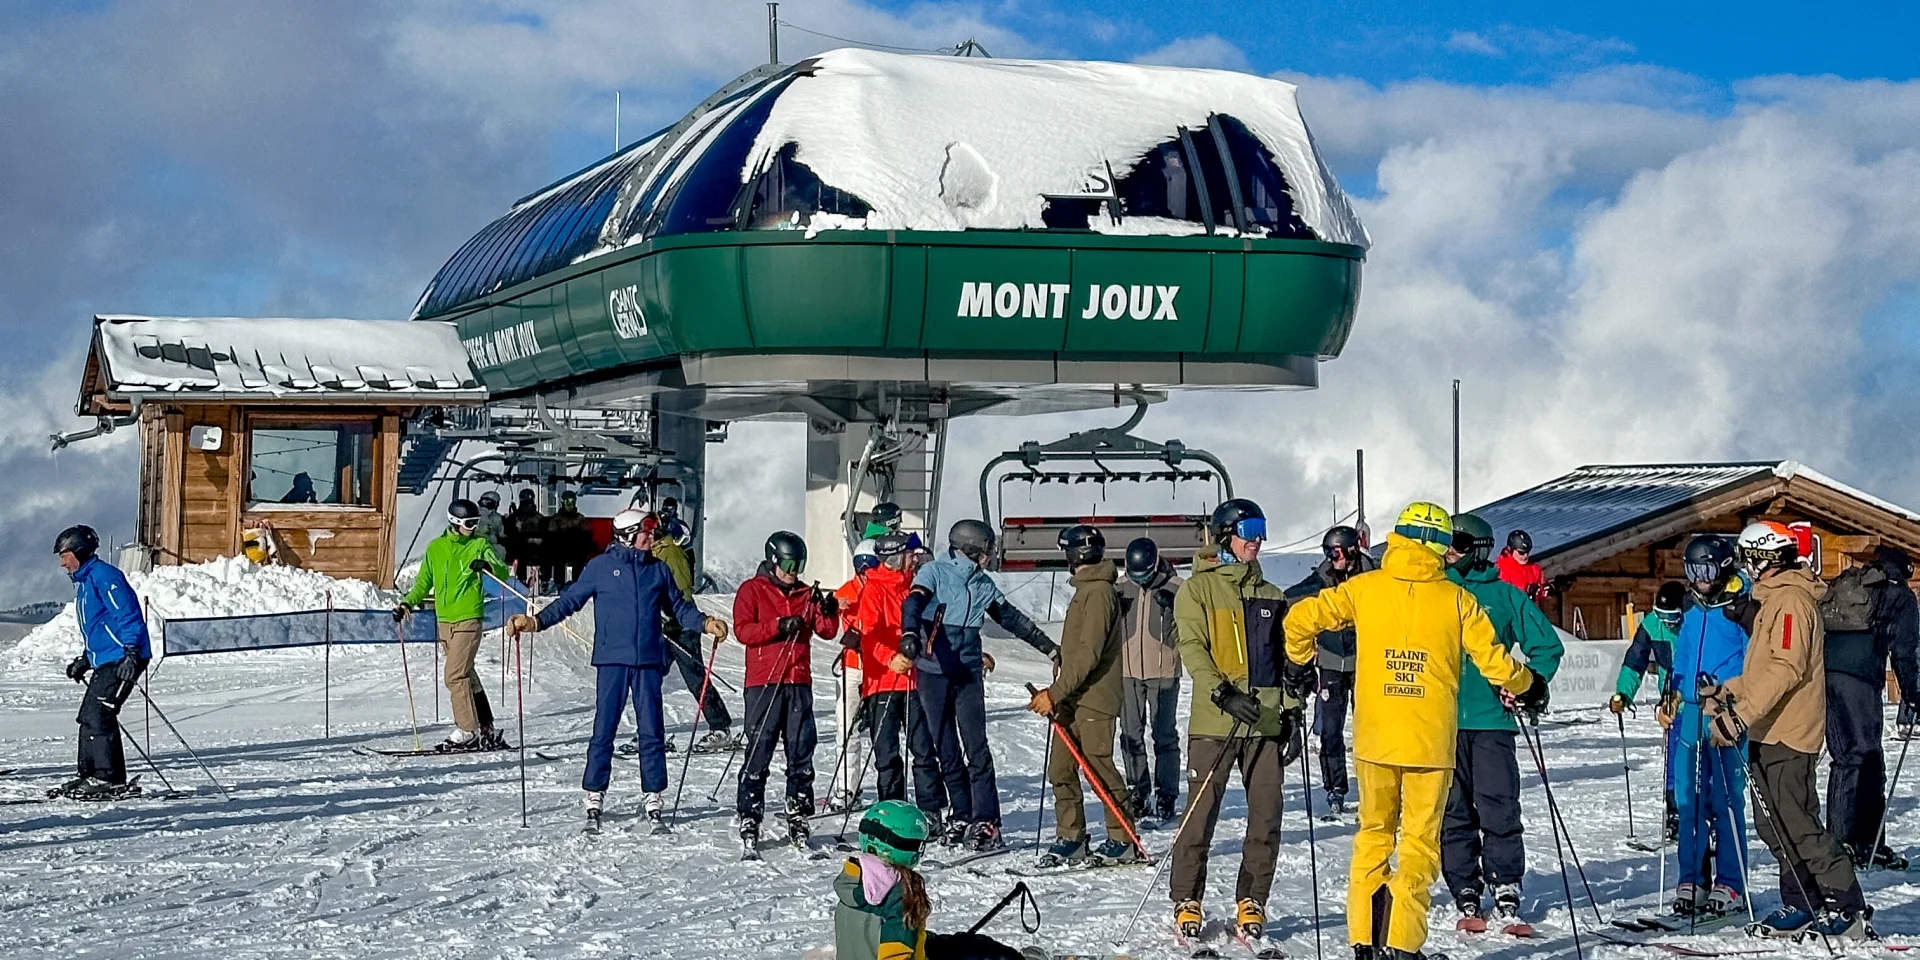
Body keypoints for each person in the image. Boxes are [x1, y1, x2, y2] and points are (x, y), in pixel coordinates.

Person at [1283, 502, 1537, 960]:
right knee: (1419, 844)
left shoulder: (1365, 587)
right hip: (1429, 744)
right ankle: (1402, 944)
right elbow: (1496, 662)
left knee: (1373, 836)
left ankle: (1365, 940)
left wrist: (1298, 662)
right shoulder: (1457, 599)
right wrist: (1528, 684)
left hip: (1377, 739)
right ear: (1438, 546)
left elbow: (1300, 619)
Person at [1703, 522, 1871, 940]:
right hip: (1766, 728)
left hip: (1789, 731)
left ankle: (1847, 908)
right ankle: (1803, 902)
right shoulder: (1774, 600)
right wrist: (1728, 691)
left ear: (1764, 558)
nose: (1744, 566)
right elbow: (1763, 671)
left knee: (1798, 823)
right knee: (1772, 824)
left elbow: (1787, 668)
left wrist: (1740, 715)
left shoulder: (1792, 601)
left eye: (1747, 556)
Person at [507, 508, 727, 829]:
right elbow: (570, 601)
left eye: (651, 532)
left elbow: (679, 608)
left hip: (649, 661)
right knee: (605, 727)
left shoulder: (659, 570)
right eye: (644, 532)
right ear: (626, 536)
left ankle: (653, 791)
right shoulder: (600, 568)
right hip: (612, 660)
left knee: (652, 730)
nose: (650, 537)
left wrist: (705, 622)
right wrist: (535, 621)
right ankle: (595, 789)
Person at [1169, 499, 1300, 944]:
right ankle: (1187, 897)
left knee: (1266, 814)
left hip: (1264, 723)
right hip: (1215, 723)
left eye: (1262, 529)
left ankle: (1253, 899)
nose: (1257, 539)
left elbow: (1282, 662)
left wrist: (1293, 709)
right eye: (1249, 529)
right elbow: (1193, 648)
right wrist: (1223, 693)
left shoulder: (1272, 595)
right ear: (1225, 534)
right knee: (1201, 813)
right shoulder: (1197, 590)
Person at [900, 519, 1060, 852]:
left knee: (977, 748)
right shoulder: (935, 572)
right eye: (987, 551)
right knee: (946, 749)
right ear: (972, 550)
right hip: (934, 670)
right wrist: (909, 634)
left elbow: (1013, 619)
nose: (990, 557)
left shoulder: (983, 584)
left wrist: (1049, 647)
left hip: (967, 673)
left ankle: (986, 821)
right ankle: (962, 813)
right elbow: (913, 604)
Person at [1439, 512, 1565, 932]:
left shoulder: (1505, 596)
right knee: (1452, 811)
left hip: (1493, 719)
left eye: (1455, 541)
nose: (1447, 550)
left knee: (1499, 805)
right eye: (1444, 541)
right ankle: (1465, 887)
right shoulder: (1433, 593)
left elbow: (1546, 646)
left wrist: (1531, 685)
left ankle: (1505, 881)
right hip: (1440, 723)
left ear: (1477, 548)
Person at [1030, 524, 1137, 866]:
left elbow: (1090, 654)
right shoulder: (1085, 590)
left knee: (1097, 768)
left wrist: (1055, 692)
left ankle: (1122, 838)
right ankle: (1071, 835)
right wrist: (1062, 663)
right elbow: (1080, 649)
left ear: (1074, 555)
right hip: (1073, 696)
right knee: (1060, 769)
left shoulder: (1099, 592)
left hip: (1094, 697)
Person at [733, 531, 840, 854]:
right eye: (790, 563)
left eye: (800, 564)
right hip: (765, 682)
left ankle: (799, 811)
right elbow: (743, 631)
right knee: (760, 746)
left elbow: (827, 631)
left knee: (801, 748)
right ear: (774, 560)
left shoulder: (806, 593)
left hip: (797, 681)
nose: (795, 571)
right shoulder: (752, 590)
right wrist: (779, 625)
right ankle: (750, 812)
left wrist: (828, 609)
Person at [1664, 534, 1753, 919]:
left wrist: (1734, 698)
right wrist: (1673, 689)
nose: (1700, 579)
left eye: (1707, 570)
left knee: (1727, 800)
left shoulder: (1740, 605)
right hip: (1690, 713)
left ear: (1724, 567)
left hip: (1726, 713)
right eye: (1692, 571)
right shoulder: (1693, 607)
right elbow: (1682, 655)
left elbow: (1753, 660)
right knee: (1689, 800)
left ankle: (1731, 882)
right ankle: (1692, 878)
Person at [1824, 545, 1919, 869]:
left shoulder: (1853, 584)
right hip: (1860, 679)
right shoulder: (1901, 597)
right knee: (1867, 756)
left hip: (1825, 675)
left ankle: (1840, 841)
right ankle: (1867, 841)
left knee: (1845, 758)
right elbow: (1904, 651)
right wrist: (1913, 694)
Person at [834, 800, 1029, 960]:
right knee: (974, 951)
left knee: (957, 945)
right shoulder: (898, 893)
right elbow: (896, 953)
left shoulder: (852, 879)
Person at [395, 499, 511, 752]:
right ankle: (486, 726)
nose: (474, 527)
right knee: (467, 675)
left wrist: (488, 565)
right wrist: (407, 604)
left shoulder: (479, 545)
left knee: (454, 675)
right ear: (455, 523)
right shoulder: (436, 548)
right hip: (445, 620)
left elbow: (502, 572)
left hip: (469, 617)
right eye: (470, 523)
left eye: (476, 522)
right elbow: (424, 583)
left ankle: (467, 729)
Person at [53, 525, 151, 801]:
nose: (62, 563)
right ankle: (89, 774)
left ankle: (109, 778)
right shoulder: (86, 582)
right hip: (108, 657)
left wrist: (132, 652)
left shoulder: (104, 576)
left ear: (80, 552)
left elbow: (127, 614)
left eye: (65, 555)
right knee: (87, 716)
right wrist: (86, 658)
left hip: (124, 657)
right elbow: (99, 626)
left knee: (100, 715)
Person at [1285, 524, 1377, 815]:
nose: (1332, 558)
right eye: (1327, 553)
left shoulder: (1373, 577)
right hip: (1330, 662)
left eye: (1336, 552)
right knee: (1331, 730)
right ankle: (1335, 787)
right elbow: (1291, 598)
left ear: (1351, 550)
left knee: (1371, 728)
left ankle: (1375, 787)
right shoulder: (1323, 577)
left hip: (1366, 661)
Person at [855, 534, 941, 814]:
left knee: (923, 749)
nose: (914, 559)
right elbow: (868, 635)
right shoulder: (873, 590)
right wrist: (889, 658)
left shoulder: (914, 589)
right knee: (887, 753)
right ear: (894, 558)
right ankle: (892, 808)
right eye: (908, 554)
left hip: (915, 682)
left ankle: (930, 809)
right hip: (882, 683)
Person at [651, 512, 736, 751]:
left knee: (695, 678)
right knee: (649, 678)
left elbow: (682, 592)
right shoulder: (653, 553)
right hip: (664, 628)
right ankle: (649, 731)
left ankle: (720, 727)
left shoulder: (670, 553)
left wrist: (665, 614)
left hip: (681, 628)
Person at [1118, 536, 1183, 824]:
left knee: (1164, 735)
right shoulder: (1120, 588)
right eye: (1136, 576)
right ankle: (1137, 789)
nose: (1141, 581)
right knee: (1131, 733)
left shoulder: (1177, 588)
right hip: (1128, 671)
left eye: (1145, 575)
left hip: (1164, 672)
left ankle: (1166, 793)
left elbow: (1190, 628)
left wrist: (1174, 608)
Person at [1614, 581, 1687, 842]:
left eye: (1673, 618)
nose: (1667, 623)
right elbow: (1635, 661)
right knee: (1675, 759)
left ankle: (1709, 815)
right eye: (1662, 616)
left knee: (1704, 760)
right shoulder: (1651, 626)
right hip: (1671, 702)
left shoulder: (1696, 622)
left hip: (1702, 700)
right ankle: (1675, 812)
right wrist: (1623, 693)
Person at [828, 539, 880, 815]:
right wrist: (832, 605)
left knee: (884, 731)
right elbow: (827, 613)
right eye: (861, 565)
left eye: (870, 565)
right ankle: (847, 787)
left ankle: (891, 789)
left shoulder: (885, 589)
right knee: (846, 729)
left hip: (879, 667)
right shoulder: (846, 591)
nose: (865, 571)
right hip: (852, 665)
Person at [504, 488, 548, 590]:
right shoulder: (514, 517)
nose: (527, 506)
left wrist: (537, 539)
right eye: (525, 503)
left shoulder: (539, 518)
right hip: (520, 545)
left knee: (546, 551)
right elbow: (509, 534)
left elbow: (545, 533)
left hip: (537, 545)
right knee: (520, 552)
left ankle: (545, 580)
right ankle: (522, 580)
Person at [547, 490, 592, 588]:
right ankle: (559, 584)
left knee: (579, 558)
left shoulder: (580, 519)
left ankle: (577, 583)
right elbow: (551, 536)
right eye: (567, 502)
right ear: (563, 502)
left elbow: (587, 535)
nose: (570, 505)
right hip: (561, 550)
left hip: (576, 550)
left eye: (572, 502)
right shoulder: (557, 519)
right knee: (558, 558)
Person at [1495, 530, 1547, 606]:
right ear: (1510, 549)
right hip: (1513, 615)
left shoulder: (1533, 568)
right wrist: (1526, 591)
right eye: (1521, 553)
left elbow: (1540, 589)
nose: (1525, 556)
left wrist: (1546, 590)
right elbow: (1502, 596)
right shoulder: (1501, 569)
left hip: (1531, 613)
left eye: (1528, 552)